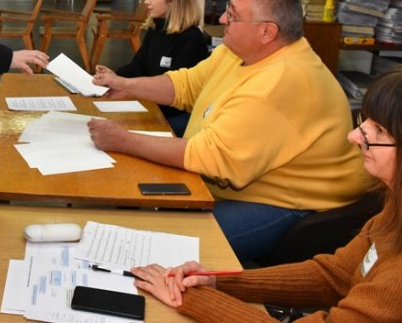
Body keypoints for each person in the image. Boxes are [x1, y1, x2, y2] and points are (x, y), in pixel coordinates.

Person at [89, 0, 368, 262]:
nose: (222, 19)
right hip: (237, 181)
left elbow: (211, 157)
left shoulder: (280, 81)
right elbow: (185, 85)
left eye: (233, 16)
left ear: (267, 32)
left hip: (289, 202)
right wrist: (126, 85)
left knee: (170, 246)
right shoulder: (237, 53)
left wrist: (122, 140)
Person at [131, 68, 402, 322]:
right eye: (364, 122)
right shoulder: (393, 208)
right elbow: (334, 275)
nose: (355, 136)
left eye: (377, 130)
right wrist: (217, 281)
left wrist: (192, 299)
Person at [110, 0, 209, 136]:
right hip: (150, 105)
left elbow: (176, 94)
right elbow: (138, 66)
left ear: (173, 1)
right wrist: (113, 76)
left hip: (175, 115)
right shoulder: (157, 29)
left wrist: (126, 86)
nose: (147, 2)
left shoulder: (192, 39)